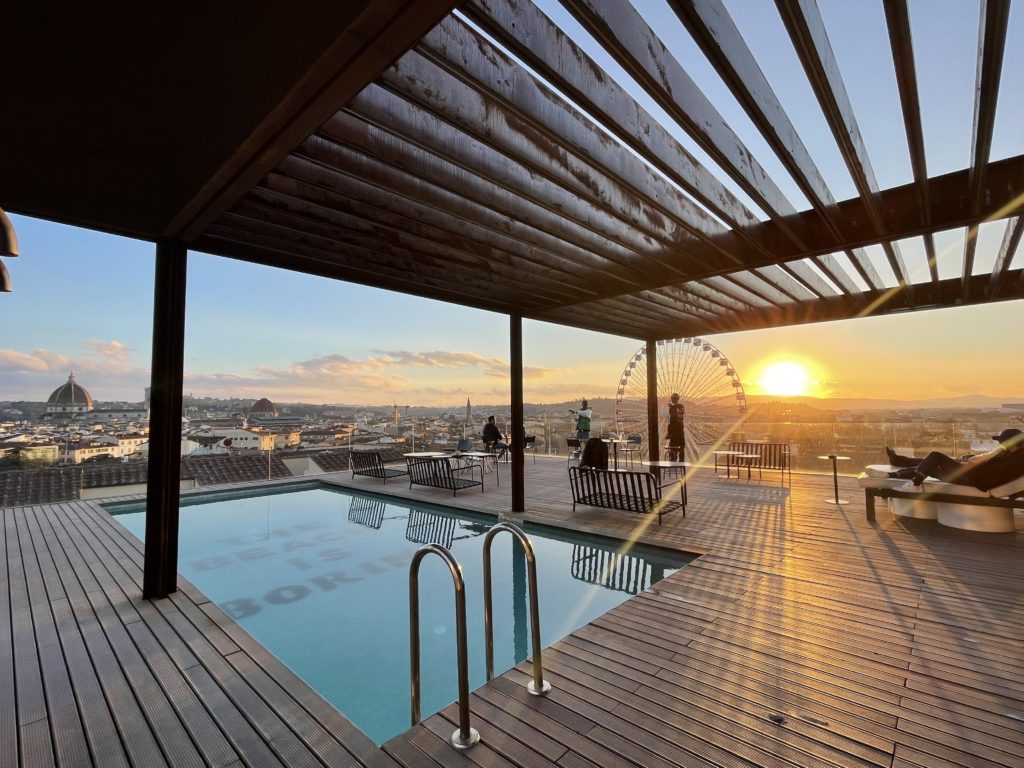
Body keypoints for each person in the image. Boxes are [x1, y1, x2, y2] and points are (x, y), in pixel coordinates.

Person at [908, 428, 1024, 490]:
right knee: (929, 468)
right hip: (974, 477)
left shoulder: (1014, 459)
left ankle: (913, 483)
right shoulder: (1011, 455)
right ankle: (910, 482)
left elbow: (995, 472)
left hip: (973, 478)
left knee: (935, 455)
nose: (1000, 444)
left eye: (1001, 442)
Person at [665, 392, 685, 461]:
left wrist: (669, 432)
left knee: (672, 447)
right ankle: (681, 460)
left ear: (672, 399)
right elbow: (682, 414)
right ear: (678, 399)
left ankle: (673, 460)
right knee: (681, 447)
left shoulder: (672, 407)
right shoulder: (681, 406)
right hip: (680, 430)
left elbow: (671, 419)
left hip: (674, 431)